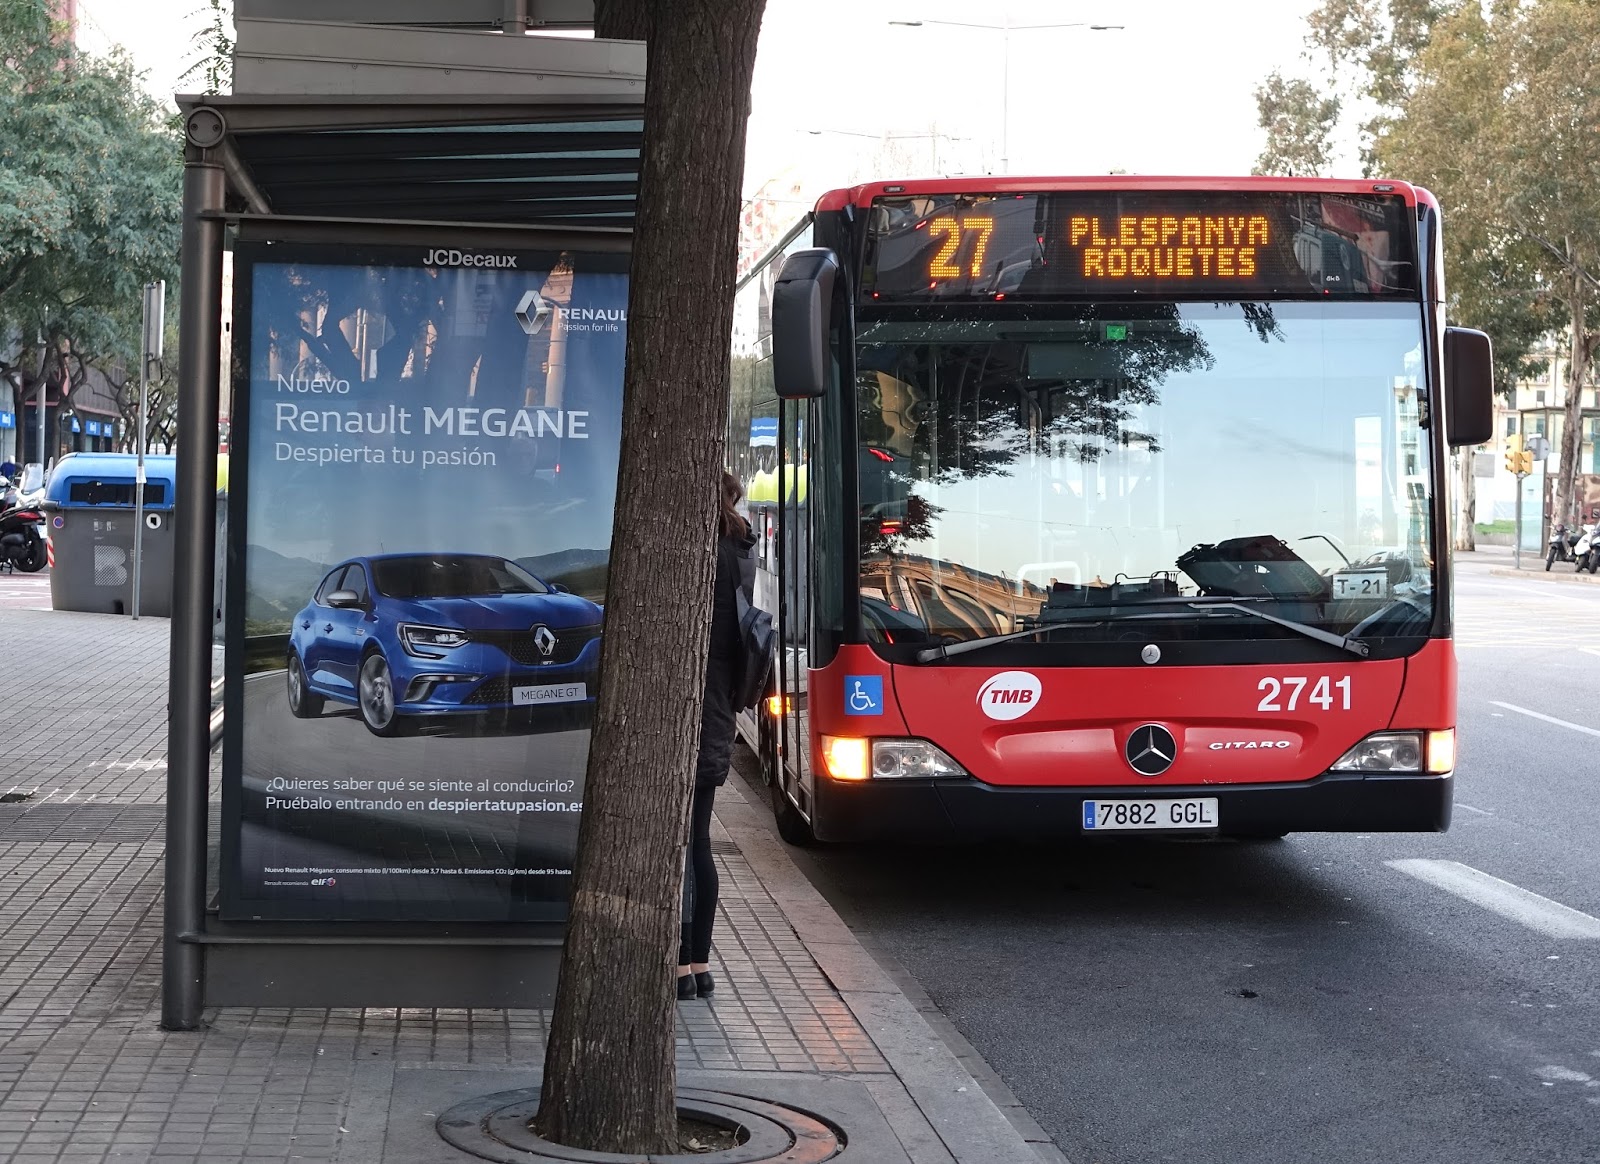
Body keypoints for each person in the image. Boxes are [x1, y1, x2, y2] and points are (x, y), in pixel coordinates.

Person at [678, 471, 756, 1001]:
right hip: (719, 714)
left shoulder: (702, 554)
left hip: (691, 714)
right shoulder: (741, 552)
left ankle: (681, 964)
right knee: (697, 841)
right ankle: (699, 964)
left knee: (681, 844)